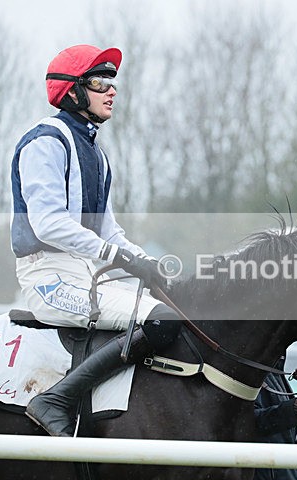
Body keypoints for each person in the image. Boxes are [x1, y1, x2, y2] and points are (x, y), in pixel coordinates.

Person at [10, 44, 182, 437]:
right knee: (161, 320)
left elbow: (109, 232)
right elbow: (49, 224)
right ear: (72, 91)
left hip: (87, 273)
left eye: (112, 82)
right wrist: (119, 256)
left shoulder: (97, 155)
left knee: (179, 309)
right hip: (48, 276)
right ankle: (56, 399)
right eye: (100, 82)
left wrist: (147, 263)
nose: (111, 90)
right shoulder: (46, 142)